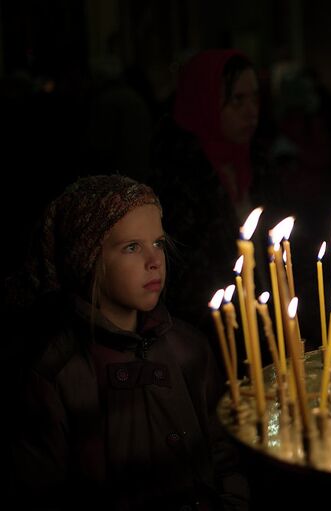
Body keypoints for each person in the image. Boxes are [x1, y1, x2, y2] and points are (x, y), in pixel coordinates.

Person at [9, 175, 250, 510]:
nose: (154, 260)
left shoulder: (188, 347)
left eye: (159, 243)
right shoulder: (57, 371)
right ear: (89, 259)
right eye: (132, 247)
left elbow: (223, 456)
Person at [148, 49, 268, 342]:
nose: (251, 111)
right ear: (204, 102)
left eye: (254, 98)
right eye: (237, 100)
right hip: (212, 337)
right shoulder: (179, 180)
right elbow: (188, 280)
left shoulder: (257, 163)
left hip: (262, 325)